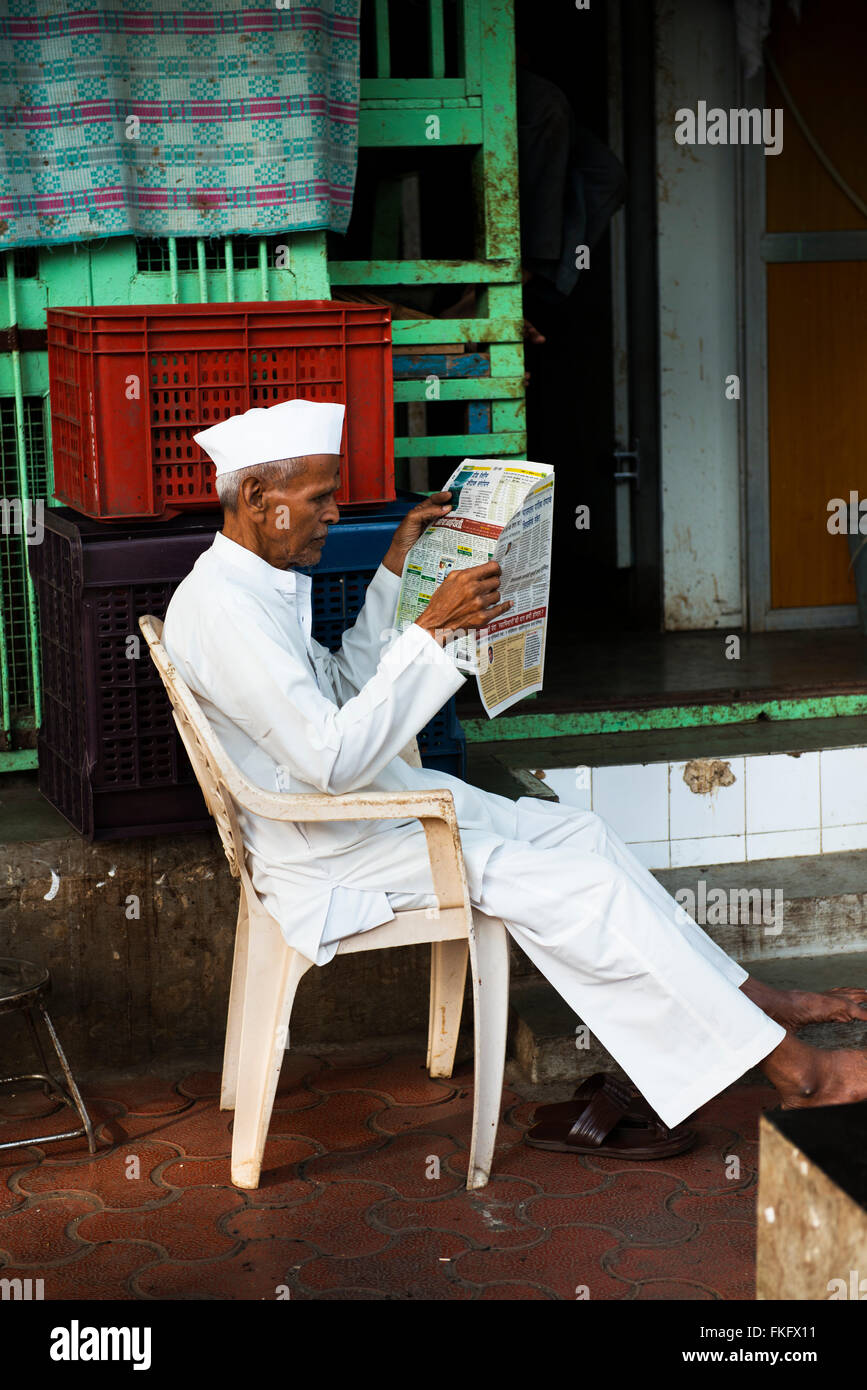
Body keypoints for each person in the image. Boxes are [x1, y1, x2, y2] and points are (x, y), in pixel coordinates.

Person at [163, 399, 867, 1159]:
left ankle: (746, 1001)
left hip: (356, 812)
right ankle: (799, 1074)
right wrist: (431, 630)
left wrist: (396, 571)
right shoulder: (225, 610)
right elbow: (332, 758)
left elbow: (338, 689)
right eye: (319, 497)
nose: (336, 512)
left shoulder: (251, 585)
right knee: (580, 891)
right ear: (259, 499)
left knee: (580, 833)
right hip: (330, 844)